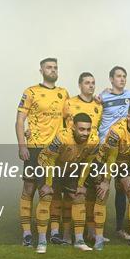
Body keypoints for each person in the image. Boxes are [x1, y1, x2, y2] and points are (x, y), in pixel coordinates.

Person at [15, 57, 69, 250]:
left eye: (55, 67)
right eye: (49, 67)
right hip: (35, 148)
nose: (53, 70)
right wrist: (22, 145)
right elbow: (20, 120)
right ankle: (27, 233)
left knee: (53, 191)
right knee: (29, 190)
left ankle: (54, 233)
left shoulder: (64, 93)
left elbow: (69, 121)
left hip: (55, 151)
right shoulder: (31, 92)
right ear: (41, 70)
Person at [89, 103, 130, 250]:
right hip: (104, 162)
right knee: (102, 194)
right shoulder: (117, 131)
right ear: (128, 117)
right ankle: (98, 238)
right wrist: (105, 181)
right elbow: (111, 159)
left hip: (124, 162)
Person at [51, 72, 102, 244]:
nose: (91, 85)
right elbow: (60, 123)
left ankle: (90, 230)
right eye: (87, 82)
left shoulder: (98, 104)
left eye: (93, 83)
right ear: (80, 84)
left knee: (91, 192)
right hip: (69, 154)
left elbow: (100, 127)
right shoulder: (70, 103)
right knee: (66, 193)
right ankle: (64, 233)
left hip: (90, 152)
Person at [37, 113, 99, 252]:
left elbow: (88, 164)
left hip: (70, 166)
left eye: (88, 129)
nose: (86, 133)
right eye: (82, 129)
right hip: (48, 165)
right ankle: (42, 241)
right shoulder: (62, 137)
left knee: (79, 196)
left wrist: (81, 185)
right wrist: (48, 184)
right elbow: (50, 160)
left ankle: (79, 240)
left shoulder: (94, 140)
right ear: (73, 127)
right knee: (46, 196)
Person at [98, 66, 130, 240]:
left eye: (124, 76)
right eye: (118, 76)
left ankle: (120, 228)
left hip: (123, 151)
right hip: (104, 149)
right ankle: (96, 230)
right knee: (100, 190)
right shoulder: (102, 97)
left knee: (122, 189)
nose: (122, 79)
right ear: (111, 79)